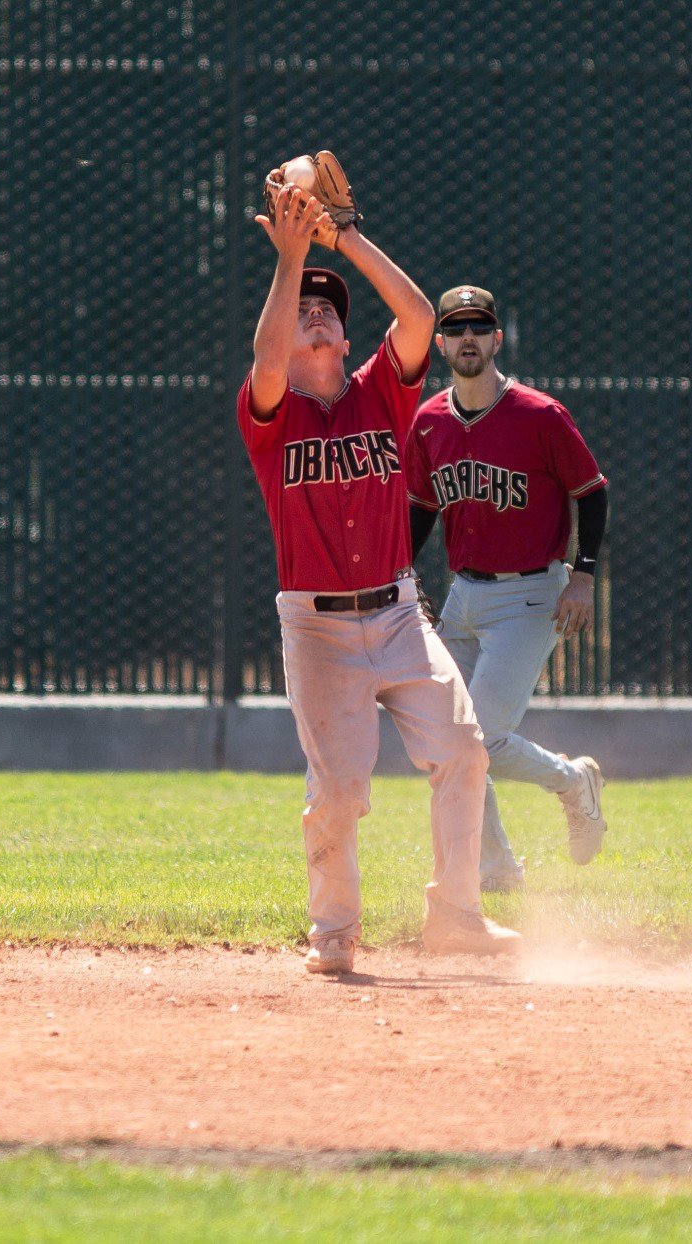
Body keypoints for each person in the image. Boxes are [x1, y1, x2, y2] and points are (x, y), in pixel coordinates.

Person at [237, 187, 520, 975]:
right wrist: (293, 259)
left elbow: (421, 316)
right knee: (338, 795)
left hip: (397, 615)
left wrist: (344, 238)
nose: (318, 313)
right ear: (285, 330)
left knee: (464, 750)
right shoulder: (271, 411)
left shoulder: (379, 393)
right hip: (318, 629)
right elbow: (264, 362)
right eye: (305, 308)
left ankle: (458, 916)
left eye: (329, 307)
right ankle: (334, 935)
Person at [405, 285, 609, 892]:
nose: (468, 338)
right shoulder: (429, 421)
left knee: (479, 736)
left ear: (497, 339)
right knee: (445, 743)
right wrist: (401, 575)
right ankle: (495, 869)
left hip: (529, 595)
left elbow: (591, 491)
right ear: (440, 342)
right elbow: (420, 509)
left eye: (479, 327)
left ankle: (573, 782)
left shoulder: (539, 414)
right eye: (456, 328)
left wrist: (584, 573)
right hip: (462, 597)